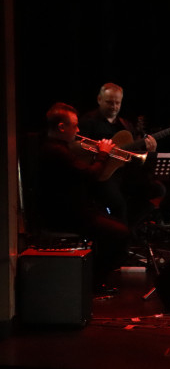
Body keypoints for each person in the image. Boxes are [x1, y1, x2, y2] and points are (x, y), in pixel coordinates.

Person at [35, 103, 129, 293]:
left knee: (118, 226)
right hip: (68, 215)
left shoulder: (58, 148)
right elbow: (90, 174)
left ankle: (92, 279)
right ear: (62, 127)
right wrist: (103, 153)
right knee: (121, 234)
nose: (78, 130)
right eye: (75, 126)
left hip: (76, 210)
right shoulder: (56, 151)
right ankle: (93, 283)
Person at [79, 82, 162, 226]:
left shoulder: (125, 125)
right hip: (101, 175)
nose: (114, 107)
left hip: (124, 173)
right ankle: (119, 237)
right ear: (99, 99)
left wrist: (150, 151)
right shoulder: (88, 121)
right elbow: (80, 150)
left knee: (157, 189)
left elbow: (133, 155)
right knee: (118, 203)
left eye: (117, 103)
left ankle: (128, 229)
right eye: (109, 102)